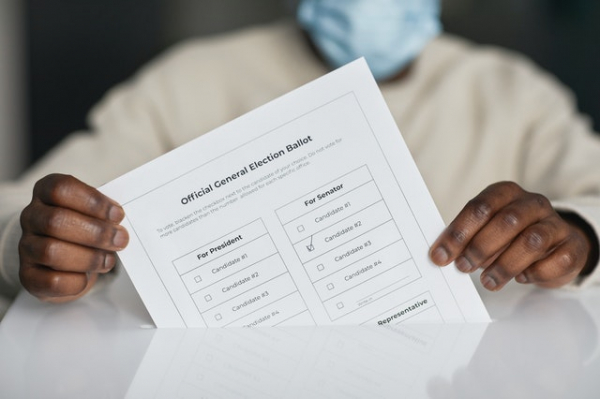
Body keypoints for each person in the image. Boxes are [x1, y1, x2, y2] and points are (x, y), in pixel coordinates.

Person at [0, 0, 599, 314]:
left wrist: (575, 236)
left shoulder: (514, 92)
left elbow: (591, 199)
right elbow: (23, 211)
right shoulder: (187, 81)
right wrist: (30, 243)